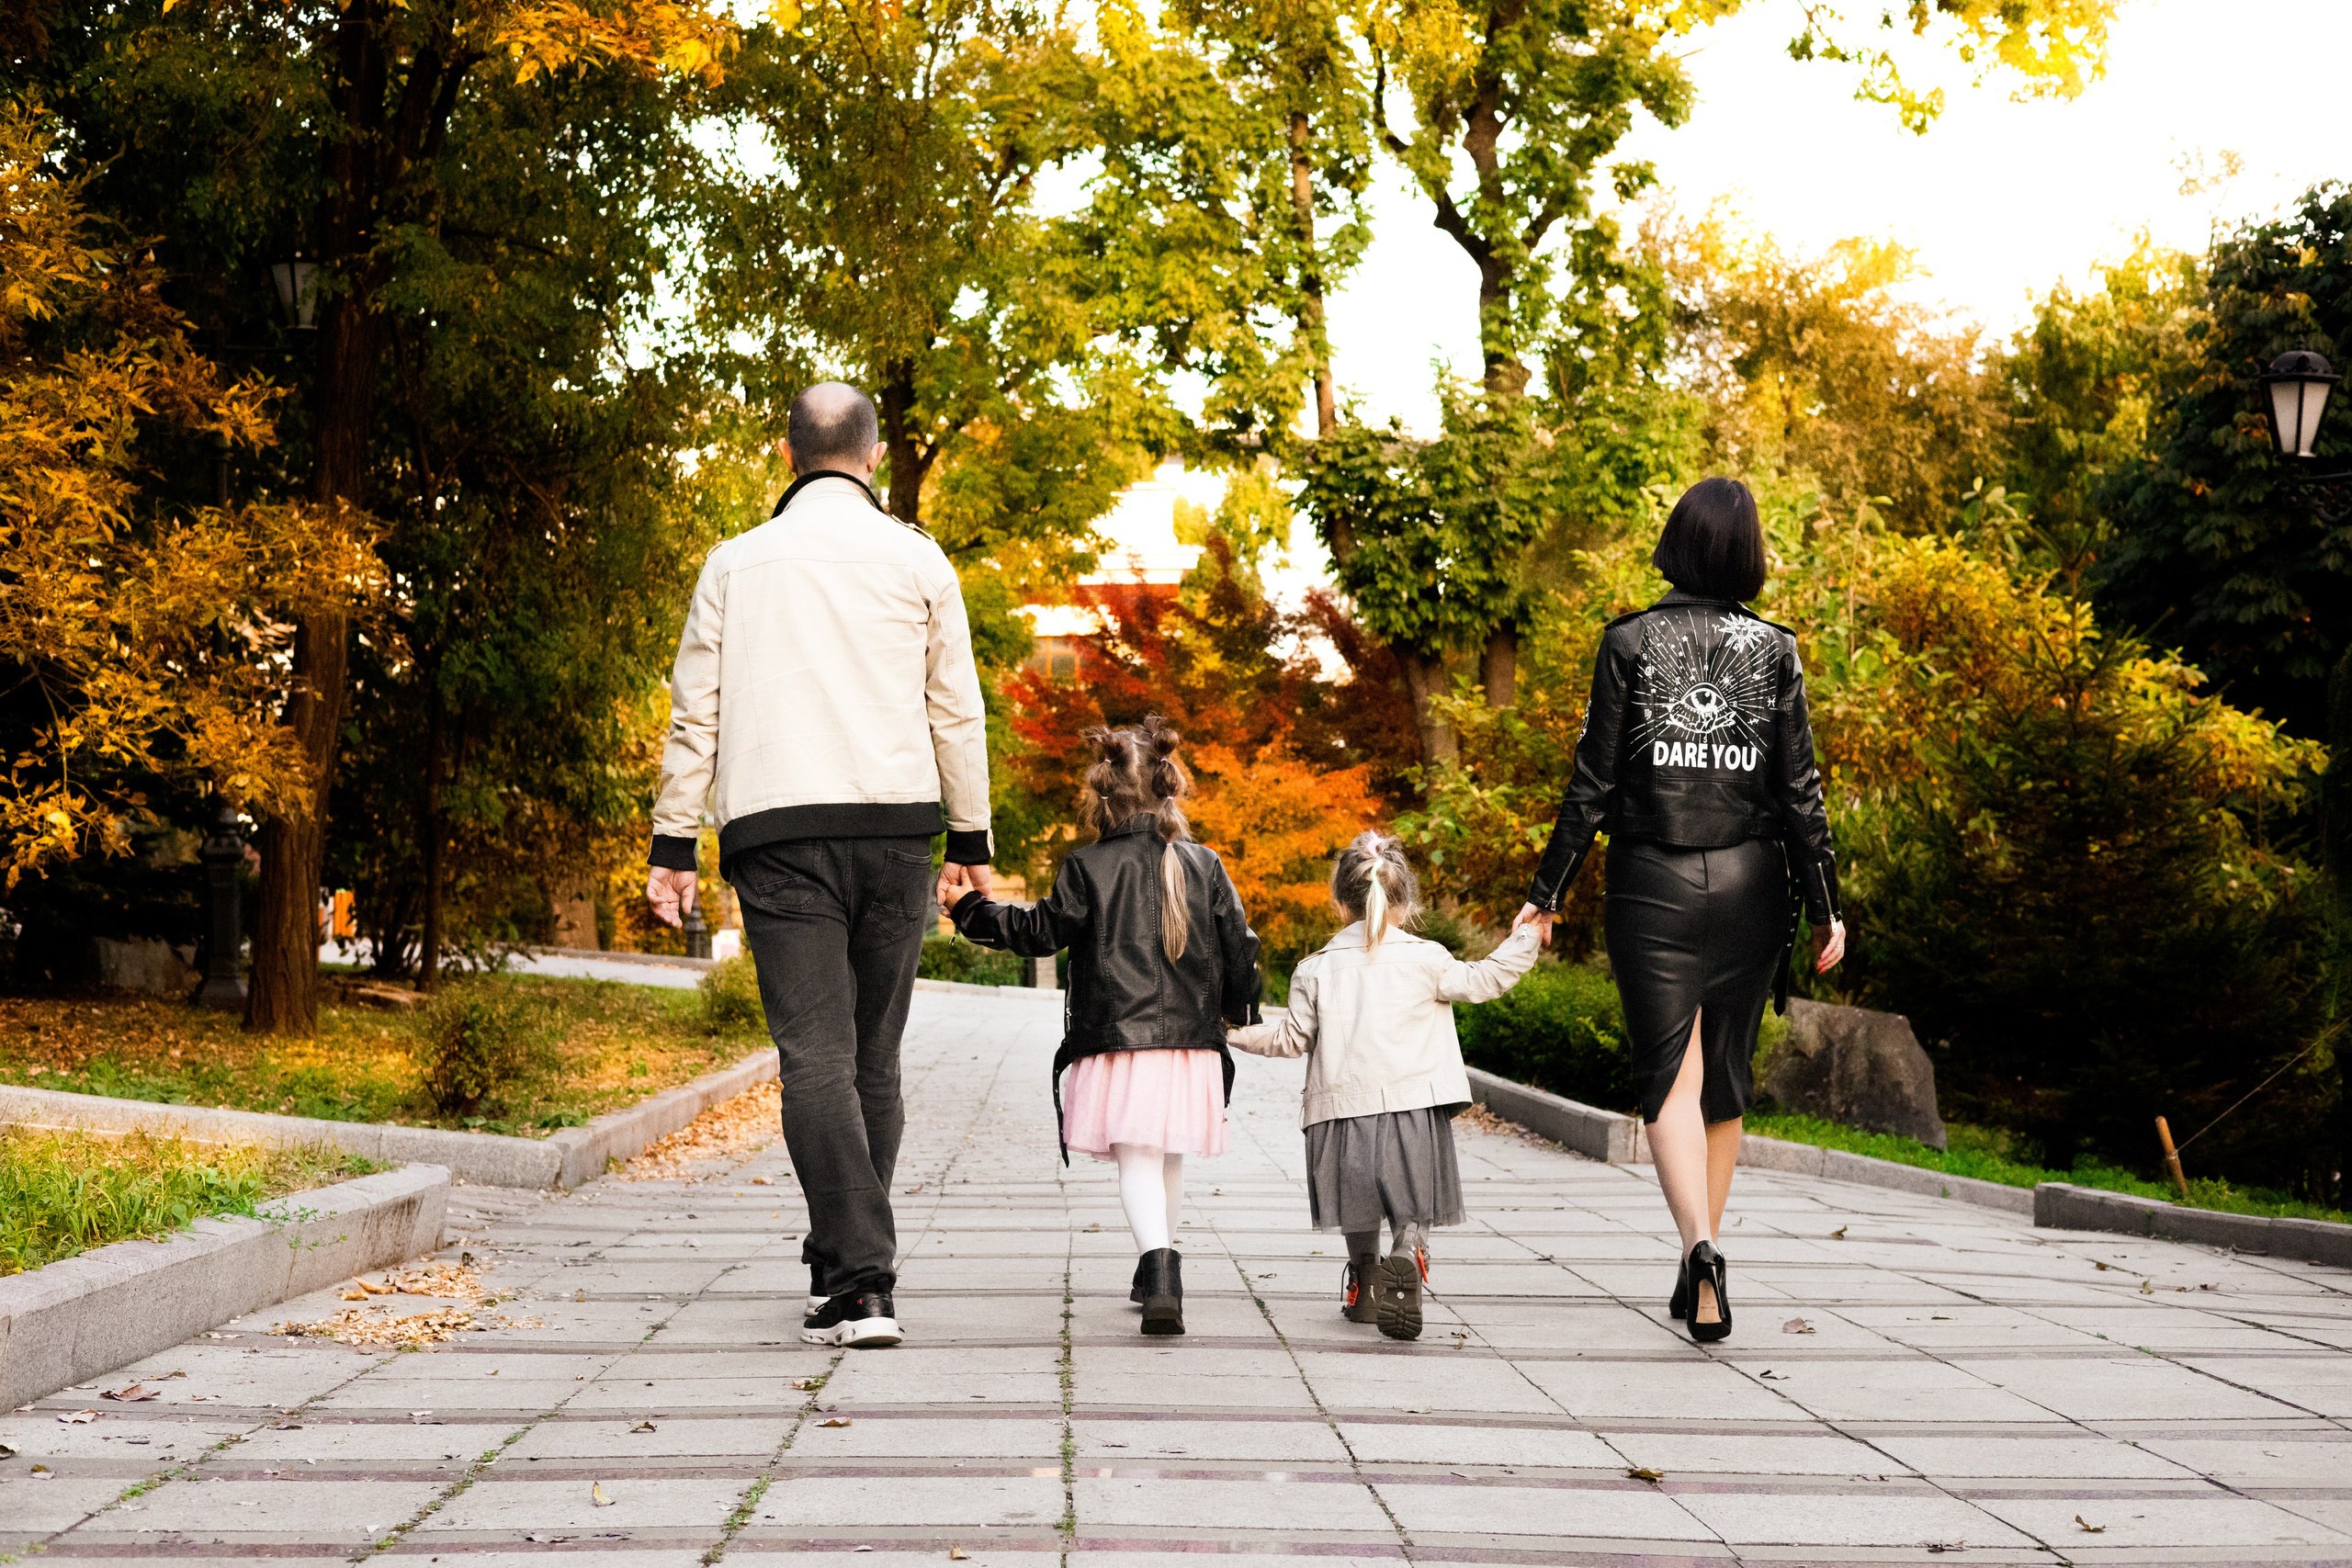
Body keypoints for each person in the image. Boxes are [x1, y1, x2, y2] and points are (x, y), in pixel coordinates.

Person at [645, 382, 995, 1350]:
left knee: (815, 1058)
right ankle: (850, 1266)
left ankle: (858, 1278)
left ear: (787, 453)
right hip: (897, 832)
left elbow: (696, 712)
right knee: (871, 1059)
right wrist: (970, 841)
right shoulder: (921, 560)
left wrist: (674, 842)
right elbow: (956, 708)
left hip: (779, 832)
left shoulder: (734, 563)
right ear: (874, 455)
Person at [1514, 476, 1845, 1345]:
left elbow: (1592, 782)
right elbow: (1801, 791)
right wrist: (1825, 907)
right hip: (1752, 883)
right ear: (1747, 553)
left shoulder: (1627, 641)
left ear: (1676, 542)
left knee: (1670, 1075)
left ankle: (1699, 1247)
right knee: (1723, 1081)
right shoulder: (1776, 649)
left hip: (1650, 883)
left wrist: (1545, 895)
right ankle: (1703, 1262)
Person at [945, 717, 1260, 1337]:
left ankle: (1159, 1272)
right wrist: (1239, 1013)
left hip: (1121, 1041)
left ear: (1103, 797)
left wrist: (971, 909)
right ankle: (1155, 1269)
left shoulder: (1088, 866)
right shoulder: (1205, 863)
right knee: (1167, 1157)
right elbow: (1240, 944)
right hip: (1191, 1043)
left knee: (1138, 1161)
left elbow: (1038, 930)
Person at [1228, 831, 1541, 1341]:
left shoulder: (1315, 968)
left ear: (1338, 903)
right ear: (1407, 903)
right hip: (1414, 1105)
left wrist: (1230, 1033)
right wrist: (1528, 934)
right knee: (1412, 1201)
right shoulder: (1428, 958)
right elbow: (1486, 979)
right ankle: (1408, 1253)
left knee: (1357, 1205)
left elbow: (1290, 1039)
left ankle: (1366, 1286)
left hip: (1339, 1111)